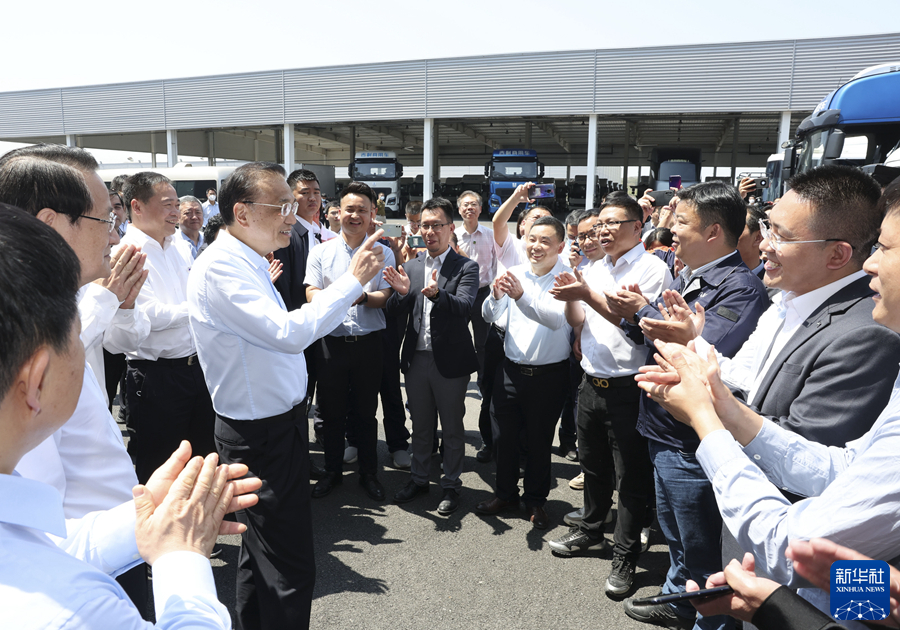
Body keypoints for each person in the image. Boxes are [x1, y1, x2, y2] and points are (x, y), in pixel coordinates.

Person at [635, 174, 900, 624]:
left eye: (885, 248)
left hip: (795, 570)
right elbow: (843, 469)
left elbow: (795, 546)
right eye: (767, 228)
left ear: (837, 254)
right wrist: (712, 387)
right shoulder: (786, 299)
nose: (763, 244)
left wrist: (706, 419)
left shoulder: (867, 332)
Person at [0, 203, 261, 630]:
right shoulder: (74, 608)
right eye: (76, 334)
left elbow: (45, 546)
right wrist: (182, 554)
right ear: (35, 379)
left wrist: (144, 519)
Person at [187, 161, 386, 630]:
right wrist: (353, 280)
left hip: (274, 426)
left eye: (293, 206)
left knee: (264, 555)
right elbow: (288, 333)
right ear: (242, 212)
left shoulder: (247, 260)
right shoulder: (222, 267)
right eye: (282, 206)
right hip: (261, 433)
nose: (293, 217)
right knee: (288, 564)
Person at [0, 145, 154, 611]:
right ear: (50, 225)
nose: (115, 235)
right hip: (86, 563)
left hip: (114, 539)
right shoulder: (28, 342)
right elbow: (39, 523)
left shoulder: (78, 299)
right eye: (105, 220)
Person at [610, 182, 769, 623]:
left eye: (681, 222)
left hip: (692, 441)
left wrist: (642, 312)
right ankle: (677, 600)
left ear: (713, 231)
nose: (671, 231)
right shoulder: (689, 275)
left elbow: (697, 356)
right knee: (677, 533)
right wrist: (635, 316)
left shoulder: (740, 289)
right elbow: (662, 338)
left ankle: (705, 617)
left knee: (702, 548)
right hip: (665, 430)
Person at [547, 200, 672, 593]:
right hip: (591, 382)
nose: (602, 231)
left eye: (612, 223)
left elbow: (634, 325)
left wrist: (585, 292)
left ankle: (626, 555)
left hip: (629, 387)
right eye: (599, 224)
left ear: (637, 226)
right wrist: (573, 295)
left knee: (630, 476)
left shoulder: (651, 268)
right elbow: (579, 321)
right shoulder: (595, 267)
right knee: (593, 465)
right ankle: (591, 528)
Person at [119, 172, 217, 485]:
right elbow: (148, 316)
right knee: (160, 466)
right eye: (168, 205)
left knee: (201, 458)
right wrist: (198, 307)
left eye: (177, 204)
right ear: (137, 206)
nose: (176, 211)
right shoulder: (126, 252)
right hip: (157, 376)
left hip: (195, 369)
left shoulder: (178, 246)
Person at [384, 197, 479, 516]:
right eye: (424, 225)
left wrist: (438, 295)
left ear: (451, 228)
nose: (430, 231)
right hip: (416, 359)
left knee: (451, 428)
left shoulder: (466, 267)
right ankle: (419, 479)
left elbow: (464, 307)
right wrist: (400, 294)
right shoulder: (411, 266)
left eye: (437, 225)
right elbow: (394, 311)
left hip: (450, 360)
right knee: (421, 425)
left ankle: (451, 485)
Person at [478, 216, 572, 530]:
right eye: (532, 239)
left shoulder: (567, 278)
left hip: (549, 376)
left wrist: (520, 296)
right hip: (510, 371)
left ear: (560, 246)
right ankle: (505, 494)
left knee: (539, 440)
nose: (536, 246)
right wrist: (495, 296)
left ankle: (535, 501)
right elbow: (490, 316)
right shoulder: (515, 273)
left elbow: (556, 320)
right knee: (503, 438)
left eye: (545, 241)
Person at [306, 182, 394, 502]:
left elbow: (386, 295)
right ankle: (332, 472)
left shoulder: (383, 252)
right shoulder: (321, 251)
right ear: (337, 212)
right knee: (331, 412)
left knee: (366, 413)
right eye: (349, 209)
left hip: (369, 344)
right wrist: (338, 298)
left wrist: (363, 298)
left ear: (372, 215)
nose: (355, 215)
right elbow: (311, 292)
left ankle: (369, 473)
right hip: (332, 343)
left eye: (362, 210)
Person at [454, 190, 498, 399]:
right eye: (465, 204)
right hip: (460, 295)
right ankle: (457, 381)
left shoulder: (491, 235)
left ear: (480, 209)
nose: (469, 208)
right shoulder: (452, 235)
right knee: (457, 340)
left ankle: (483, 382)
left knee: (482, 343)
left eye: (473, 204)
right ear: (459, 209)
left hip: (482, 294)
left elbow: (497, 264)